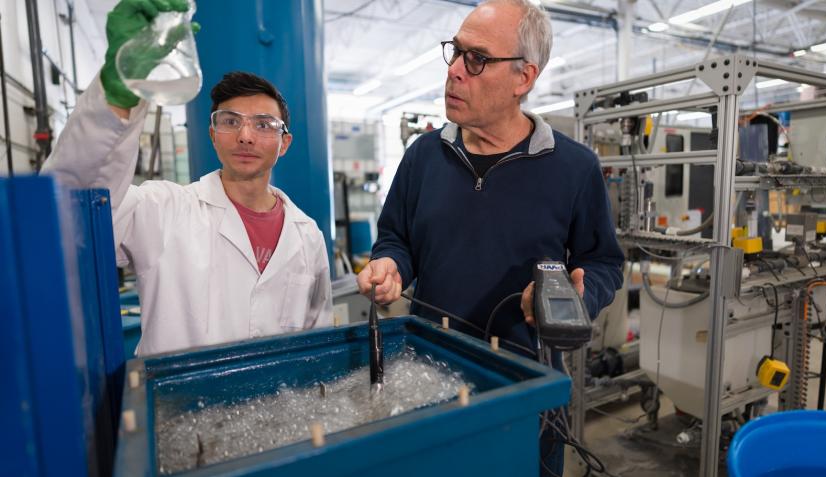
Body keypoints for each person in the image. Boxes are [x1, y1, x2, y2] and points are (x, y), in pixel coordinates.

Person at [356, 0, 624, 474]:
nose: (455, 71)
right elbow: (396, 237)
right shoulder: (422, 157)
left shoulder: (575, 168)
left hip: (525, 386)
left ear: (524, 78)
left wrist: (581, 295)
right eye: (455, 53)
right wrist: (391, 265)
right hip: (428, 376)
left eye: (476, 59)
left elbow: (603, 263)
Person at [43, 0, 331, 356]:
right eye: (229, 121)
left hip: (278, 408)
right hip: (181, 409)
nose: (245, 135)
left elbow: (318, 341)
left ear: (284, 143)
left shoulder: (308, 235)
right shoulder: (163, 210)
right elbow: (69, 215)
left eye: (263, 125)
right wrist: (114, 97)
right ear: (212, 134)